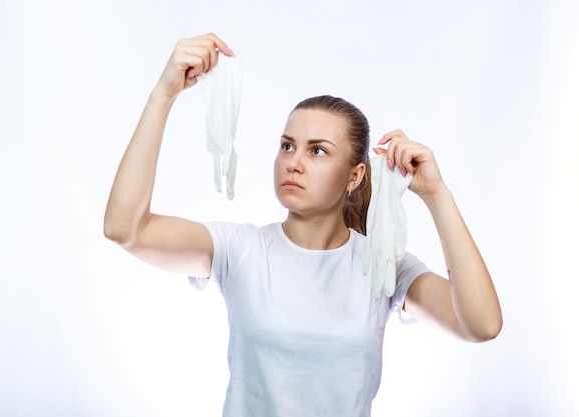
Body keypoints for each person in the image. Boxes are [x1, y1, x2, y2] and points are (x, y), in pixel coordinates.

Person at [104, 33, 502, 417]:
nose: (293, 161)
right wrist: (164, 93)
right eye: (287, 145)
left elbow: (482, 325)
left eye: (318, 151)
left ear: (355, 176)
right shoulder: (240, 249)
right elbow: (127, 229)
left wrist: (437, 195)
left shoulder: (384, 267)